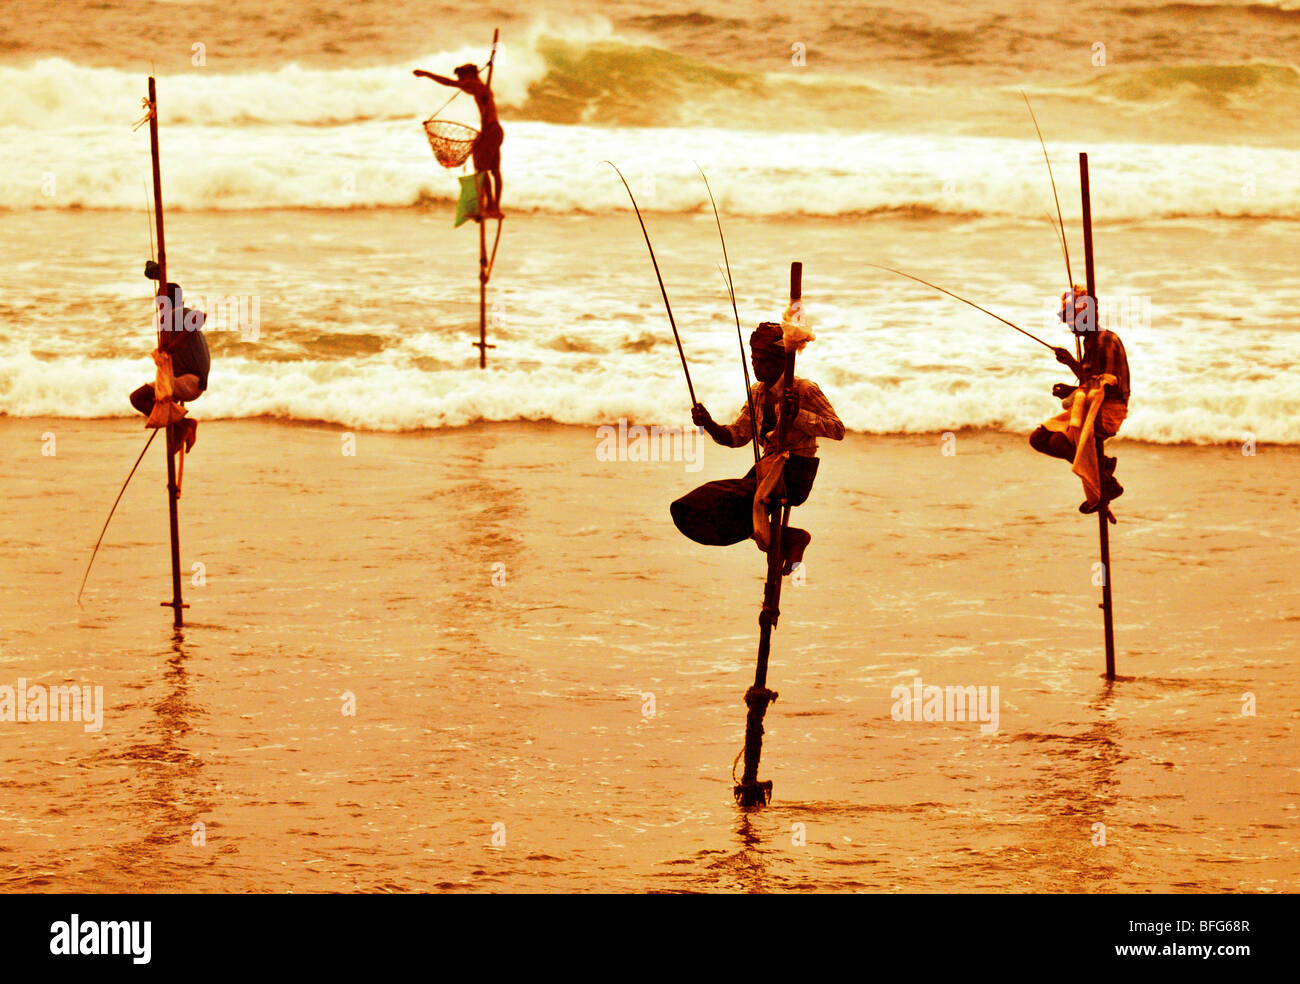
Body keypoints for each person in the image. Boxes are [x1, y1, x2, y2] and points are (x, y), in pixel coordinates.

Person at [671, 322, 844, 574]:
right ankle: (784, 538)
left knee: (721, 499)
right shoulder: (757, 393)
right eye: (753, 359)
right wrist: (708, 424)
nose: (755, 366)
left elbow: (837, 429)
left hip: (795, 473)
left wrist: (797, 415)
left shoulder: (804, 389)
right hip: (766, 471)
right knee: (694, 509)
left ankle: (787, 539)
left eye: (761, 360)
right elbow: (737, 436)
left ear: (778, 361)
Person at [1029, 285, 1130, 511]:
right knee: (1039, 438)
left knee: (1058, 441)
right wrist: (1070, 363)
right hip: (1091, 406)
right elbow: (1091, 380)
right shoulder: (1091, 341)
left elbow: (1107, 387)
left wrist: (1073, 390)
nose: (1069, 326)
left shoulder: (1105, 340)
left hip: (1108, 412)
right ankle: (1102, 467)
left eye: (1072, 320)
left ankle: (1105, 482)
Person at [129, 267, 210, 453]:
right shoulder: (172, 319)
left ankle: (184, 425)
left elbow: (200, 316)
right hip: (191, 381)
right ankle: (180, 429)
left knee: (138, 398)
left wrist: (178, 343)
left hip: (190, 382)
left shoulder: (176, 313)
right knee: (151, 396)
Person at [414, 61, 503, 218]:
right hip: (494, 130)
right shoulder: (482, 88)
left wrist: (426, 74)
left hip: (491, 131)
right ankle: (493, 207)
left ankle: (490, 207)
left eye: (462, 79)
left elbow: (449, 83)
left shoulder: (476, 85)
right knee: (494, 171)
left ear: (469, 76)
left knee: (482, 170)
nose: (462, 83)